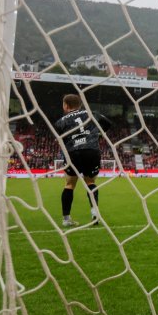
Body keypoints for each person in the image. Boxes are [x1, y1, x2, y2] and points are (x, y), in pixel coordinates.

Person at [53, 94, 111, 227]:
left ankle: (66, 219)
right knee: (90, 182)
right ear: (79, 105)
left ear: (66, 105)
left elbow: (58, 138)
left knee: (69, 184)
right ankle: (95, 213)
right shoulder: (92, 113)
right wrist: (98, 135)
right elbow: (108, 124)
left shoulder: (61, 121)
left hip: (73, 153)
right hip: (91, 150)